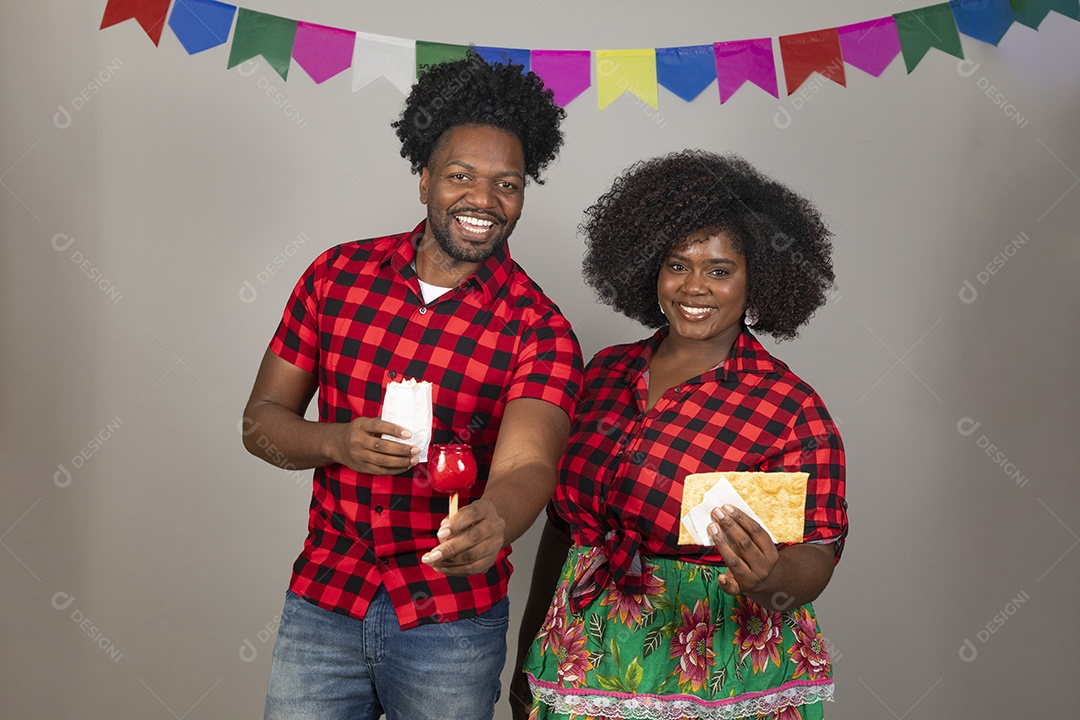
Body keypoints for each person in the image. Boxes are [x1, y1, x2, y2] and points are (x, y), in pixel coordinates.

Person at [242, 49, 583, 720]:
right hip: (324, 602)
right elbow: (260, 422)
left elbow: (529, 466)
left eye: (507, 184)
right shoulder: (336, 276)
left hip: (450, 622)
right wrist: (337, 442)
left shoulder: (539, 328)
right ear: (425, 180)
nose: (484, 200)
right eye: (461, 176)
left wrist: (496, 521)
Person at [511, 151, 849, 720]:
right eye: (677, 264)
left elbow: (817, 552)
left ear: (757, 279)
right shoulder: (601, 374)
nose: (695, 287)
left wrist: (770, 578)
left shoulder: (789, 409)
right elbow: (565, 532)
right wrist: (527, 661)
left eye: (720, 270)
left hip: (720, 670)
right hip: (581, 658)